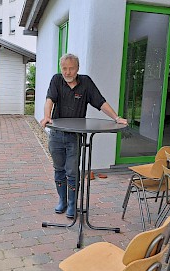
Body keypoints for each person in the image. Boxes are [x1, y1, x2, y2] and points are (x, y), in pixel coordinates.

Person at [41, 53, 128, 218]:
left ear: (77, 69)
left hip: (75, 137)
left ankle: (73, 204)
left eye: (71, 68)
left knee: (72, 171)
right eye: (64, 68)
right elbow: (49, 100)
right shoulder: (56, 80)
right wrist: (47, 116)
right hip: (57, 135)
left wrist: (116, 118)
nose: (67, 72)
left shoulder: (86, 82)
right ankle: (62, 201)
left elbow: (100, 102)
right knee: (59, 169)